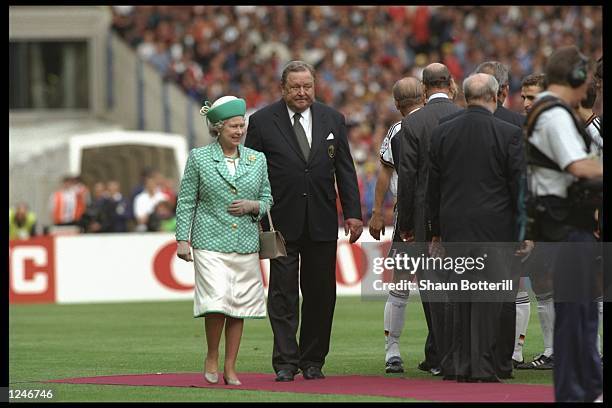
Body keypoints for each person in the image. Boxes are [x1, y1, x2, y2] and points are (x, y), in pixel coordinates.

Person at [245, 60, 363, 382]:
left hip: (322, 222)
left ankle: (313, 361)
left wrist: (353, 212)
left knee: (321, 294)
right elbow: (251, 172)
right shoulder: (261, 121)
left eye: (307, 86)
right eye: (295, 87)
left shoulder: (333, 119)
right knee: (282, 294)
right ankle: (285, 362)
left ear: (315, 86)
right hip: (279, 223)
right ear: (283, 89)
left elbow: (345, 169)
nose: (301, 92)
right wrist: (254, 214)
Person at [428, 73, 525, 382]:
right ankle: (483, 366)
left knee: (459, 298)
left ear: (466, 96)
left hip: (455, 228)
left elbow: (433, 187)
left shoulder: (442, 132)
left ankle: (457, 364)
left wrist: (435, 230)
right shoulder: (509, 133)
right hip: (496, 230)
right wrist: (524, 232)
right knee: (490, 300)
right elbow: (519, 188)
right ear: (495, 96)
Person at [175, 95, 273, 386]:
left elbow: (268, 197)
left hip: (245, 242)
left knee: (239, 304)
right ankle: (212, 355)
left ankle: (231, 367)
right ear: (218, 127)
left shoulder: (257, 159)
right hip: (209, 241)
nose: (239, 131)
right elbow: (186, 201)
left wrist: (254, 206)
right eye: (233, 126)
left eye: (241, 125)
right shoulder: (199, 158)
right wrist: (183, 240)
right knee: (217, 301)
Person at [525, 45, 602, 402]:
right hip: (567, 225)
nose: (589, 83)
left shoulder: (551, 111)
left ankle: (585, 386)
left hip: (566, 224)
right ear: (573, 76)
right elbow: (578, 166)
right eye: (585, 76)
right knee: (575, 314)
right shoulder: (554, 115)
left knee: (581, 311)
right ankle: (575, 392)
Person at [396, 62, 462, 377]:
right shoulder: (467, 117)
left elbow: (407, 178)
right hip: (464, 217)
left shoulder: (413, 123)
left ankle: (440, 356)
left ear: (423, 89)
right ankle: (457, 353)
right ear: (450, 84)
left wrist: (406, 223)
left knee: (434, 290)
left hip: (426, 219)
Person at [367, 77, 424, 374]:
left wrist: (377, 212)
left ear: (398, 104)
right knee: (444, 284)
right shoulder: (444, 122)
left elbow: (385, 174)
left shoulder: (398, 131)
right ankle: (442, 350)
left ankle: (393, 351)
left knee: (400, 283)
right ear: (424, 97)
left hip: (408, 214)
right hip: (443, 213)